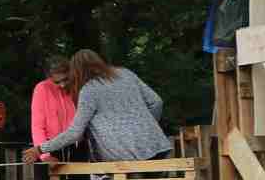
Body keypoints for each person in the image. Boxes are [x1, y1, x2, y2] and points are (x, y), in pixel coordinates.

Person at [27, 49, 170, 164]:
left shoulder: (89, 90)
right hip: (157, 145)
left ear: (76, 71)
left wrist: (40, 149)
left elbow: (75, 132)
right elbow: (156, 102)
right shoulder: (125, 73)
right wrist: (144, 128)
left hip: (128, 155)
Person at [30, 58, 77, 151]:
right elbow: (37, 127)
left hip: (77, 146)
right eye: (57, 82)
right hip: (51, 147)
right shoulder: (42, 89)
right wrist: (44, 155)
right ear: (49, 78)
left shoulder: (77, 87)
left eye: (65, 79)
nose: (62, 85)